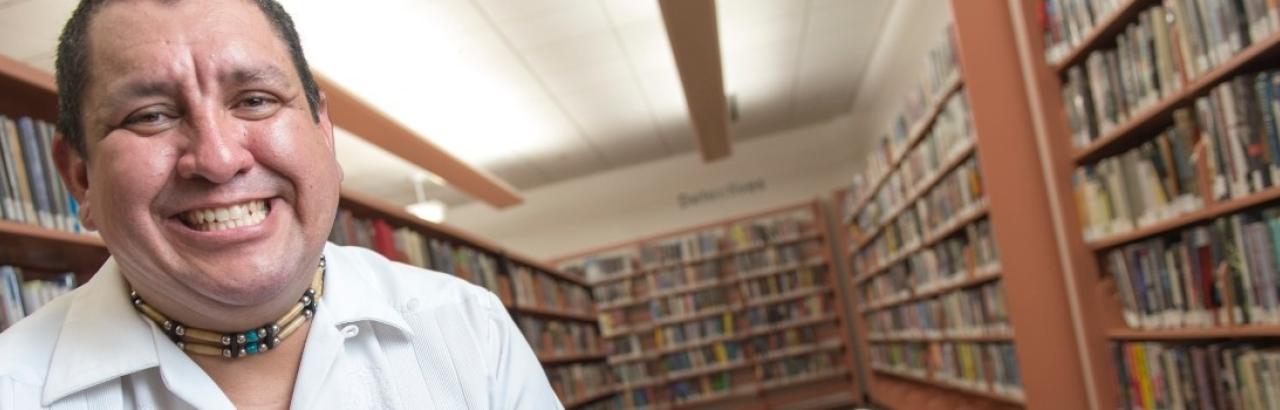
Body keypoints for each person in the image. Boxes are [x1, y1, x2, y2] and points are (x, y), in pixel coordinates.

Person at [0, 0, 561, 408]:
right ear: (80, 178)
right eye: (150, 115)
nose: (218, 159)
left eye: (256, 100)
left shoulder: (468, 330)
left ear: (323, 131)